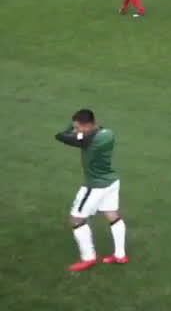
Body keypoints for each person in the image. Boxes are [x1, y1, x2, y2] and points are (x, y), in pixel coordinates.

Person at [55, 109, 128, 271]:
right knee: (112, 215)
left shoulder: (87, 141)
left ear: (87, 126)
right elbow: (83, 133)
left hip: (95, 186)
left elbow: (61, 136)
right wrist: (79, 130)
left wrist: (71, 129)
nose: (76, 130)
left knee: (76, 219)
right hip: (111, 181)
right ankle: (120, 255)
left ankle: (88, 258)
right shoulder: (107, 133)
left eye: (78, 127)